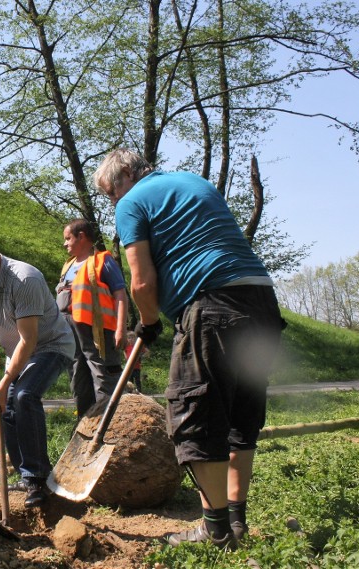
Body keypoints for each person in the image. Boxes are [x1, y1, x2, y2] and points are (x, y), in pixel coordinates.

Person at [93, 149, 285, 549]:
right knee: (238, 415)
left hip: (212, 306)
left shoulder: (132, 202)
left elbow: (142, 282)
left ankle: (214, 532)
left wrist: (147, 324)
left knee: (195, 412)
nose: (113, 201)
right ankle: (235, 522)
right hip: (261, 301)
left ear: (127, 174)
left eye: (111, 192)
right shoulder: (193, 182)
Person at [0, 236, 74, 508]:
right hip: (16, 352)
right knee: (7, 407)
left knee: (23, 395)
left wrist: (5, 381)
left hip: (50, 345)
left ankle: (38, 479)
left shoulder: (24, 279)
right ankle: (24, 473)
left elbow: (29, 339)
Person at [57, 219, 129, 419]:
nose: (65, 244)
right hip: (70, 333)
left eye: (68, 238)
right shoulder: (68, 266)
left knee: (103, 376)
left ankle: (110, 424)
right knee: (78, 378)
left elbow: (121, 295)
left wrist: (121, 329)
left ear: (81, 236)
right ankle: (86, 425)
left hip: (99, 333)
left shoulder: (103, 261)